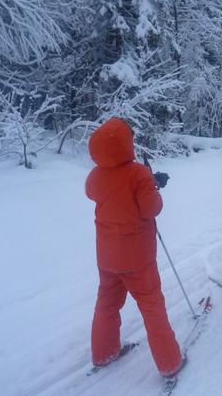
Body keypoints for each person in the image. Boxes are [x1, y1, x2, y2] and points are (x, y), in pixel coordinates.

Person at [85, 118, 182, 377]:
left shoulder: (95, 175)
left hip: (106, 256)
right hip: (137, 258)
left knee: (106, 302)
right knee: (152, 306)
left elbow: (94, 193)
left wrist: (147, 184)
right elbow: (151, 209)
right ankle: (170, 363)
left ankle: (103, 352)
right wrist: (152, 187)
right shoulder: (138, 172)